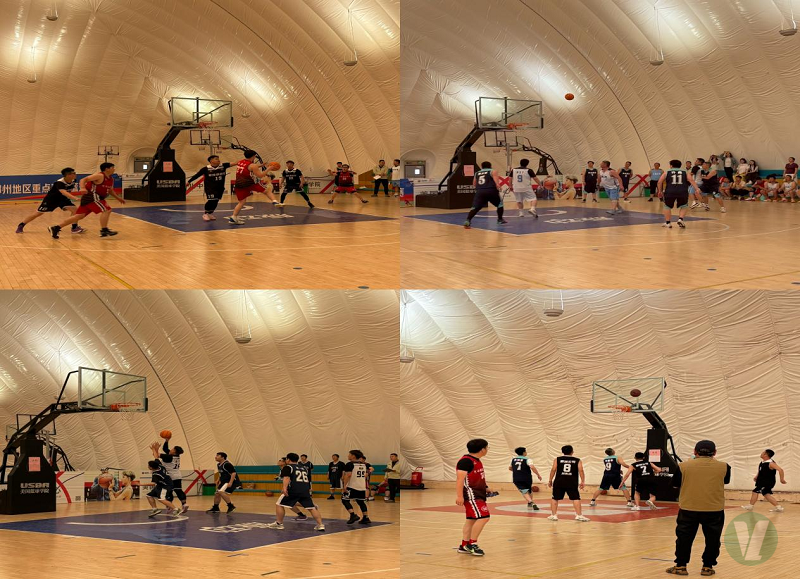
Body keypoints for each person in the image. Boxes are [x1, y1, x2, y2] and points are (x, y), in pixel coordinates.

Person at [666, 440, 731, 577]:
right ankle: (707, 567)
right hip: (714, 509)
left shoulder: (683, 466)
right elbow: (725, 480)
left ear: (695, 452)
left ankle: (681, 566)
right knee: (713, 539)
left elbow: (675, 484)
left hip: (688, 508)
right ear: (715, 452)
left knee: (684, 538)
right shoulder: (724, 466)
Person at [49, 162, 125, 239]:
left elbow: (110, 190)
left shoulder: (111, 179)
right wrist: (82, 188)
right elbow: (83, 179)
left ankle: (56, 228)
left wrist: (118, 198)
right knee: (107, 210)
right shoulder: (100, 175)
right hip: (92, 197)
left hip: (91, 199)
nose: (114, 169)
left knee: (79, 216)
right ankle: (104, 230)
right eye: (112, 167)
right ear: (107, 169)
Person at [266, 453, 325, 531]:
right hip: (304, 490)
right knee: (311, 508)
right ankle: (320, 525)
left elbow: (286, 478)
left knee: (279, 504)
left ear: (288, 459)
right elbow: (307, 479)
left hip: (293, 490)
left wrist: (284, 488)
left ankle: (279, 523)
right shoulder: (303, 468)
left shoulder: (288, 467)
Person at [17, 167, 85, 234]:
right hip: (51, 200)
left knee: (75, 210)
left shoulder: (73, 180)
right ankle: (21, 225)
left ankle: (74, 228)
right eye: (74, 173)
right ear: (68, 175)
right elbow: (64, 192)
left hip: (62, 199)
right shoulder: (59, 183)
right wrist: (75, 198)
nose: (75, 174)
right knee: (38, 213)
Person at [455, 438, 492, 556]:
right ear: (482, 449)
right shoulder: (466, 461)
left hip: (478, 494)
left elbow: (477, 477)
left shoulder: (477, 460)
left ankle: (464, 545)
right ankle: (472, 544)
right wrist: (459, 496)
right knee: (484, 517)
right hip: (471, 495)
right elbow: (460, 480)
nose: (487, 449)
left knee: (471, 520)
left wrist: (486, 487)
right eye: (487, 447)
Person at [547, 445, 589, 522]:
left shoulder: (557, 459)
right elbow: (581, 470)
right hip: (572, 482)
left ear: (562, 452)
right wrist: (582, 481)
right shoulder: (577, 460)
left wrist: (550, 480)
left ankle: (553, 515)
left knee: (555, 498)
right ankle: (579, 515)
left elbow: (553, 469)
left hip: (559, 481)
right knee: (576, 498)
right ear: (572, 451)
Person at [187, 155, 232, 221]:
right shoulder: (206, 169)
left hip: (220, 188)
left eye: (218, 159)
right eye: (216, 159)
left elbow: (235, 163)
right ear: (211, 161)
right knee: (211, 200)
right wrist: (189, 181)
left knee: (216, 201)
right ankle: (206, 213)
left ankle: (210, 213)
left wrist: (245, 160)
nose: (218, 160)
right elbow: (197, 175)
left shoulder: (223, 166)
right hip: (210, 188)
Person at [657, 159, 700, 229]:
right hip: (682, 191)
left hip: (670, 191)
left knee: (667, 206)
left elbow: (659, 182)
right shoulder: (685, 172)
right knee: (684, 206)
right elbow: (691, 180)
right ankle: (680, 219)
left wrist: (660, 191)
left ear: (671, 166)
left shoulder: (666, 172)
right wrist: (697, 188)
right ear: (680, 166)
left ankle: (668, 223)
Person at [464, 161, 507, 229]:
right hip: (491, 190)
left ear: (482, 166)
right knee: (500, 204)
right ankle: (500, 219)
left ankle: (468, 220)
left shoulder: (477, 173)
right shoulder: (493, 171)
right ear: (490, 166)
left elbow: (474, 184)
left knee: (475, 207)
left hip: (480, 191)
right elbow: (496, 181)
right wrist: (498, 186)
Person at [152, 437, 188, 514]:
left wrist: (155, 449)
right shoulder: (176, 456)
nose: (170, 449)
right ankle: (184, 504)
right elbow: (165, 449)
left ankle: (169, 506)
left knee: (169, 491)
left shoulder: (168, 457)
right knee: (178, 490)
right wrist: (166, 440)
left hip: (170, 477)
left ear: (174, 451)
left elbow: (156, 455)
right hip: (177, 476)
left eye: (172, 448)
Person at [342, 449, 371, 524]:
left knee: (344, 500)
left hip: (352, 486)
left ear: (353, 456)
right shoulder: (364, 464)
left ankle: (352, 515)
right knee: (360, 501)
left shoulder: (350, 464)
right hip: (361, 486)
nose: (348, 456)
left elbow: (348, 475)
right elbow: (368, 472)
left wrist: (344, 486)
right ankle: (366, 517)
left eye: (349, 454)